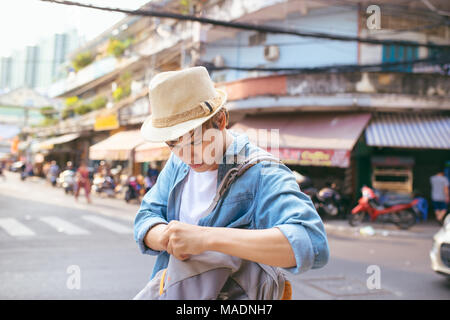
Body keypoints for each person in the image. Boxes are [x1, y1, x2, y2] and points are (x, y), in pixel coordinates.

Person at [133, 67, 329, 299]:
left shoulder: (262, 171)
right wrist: (167, 237)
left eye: (195, 142)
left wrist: (205, 238)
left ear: (221, 120)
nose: (186, 156)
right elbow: (146, 216)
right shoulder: (178, 164)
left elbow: (311, 243)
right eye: (173, 144)